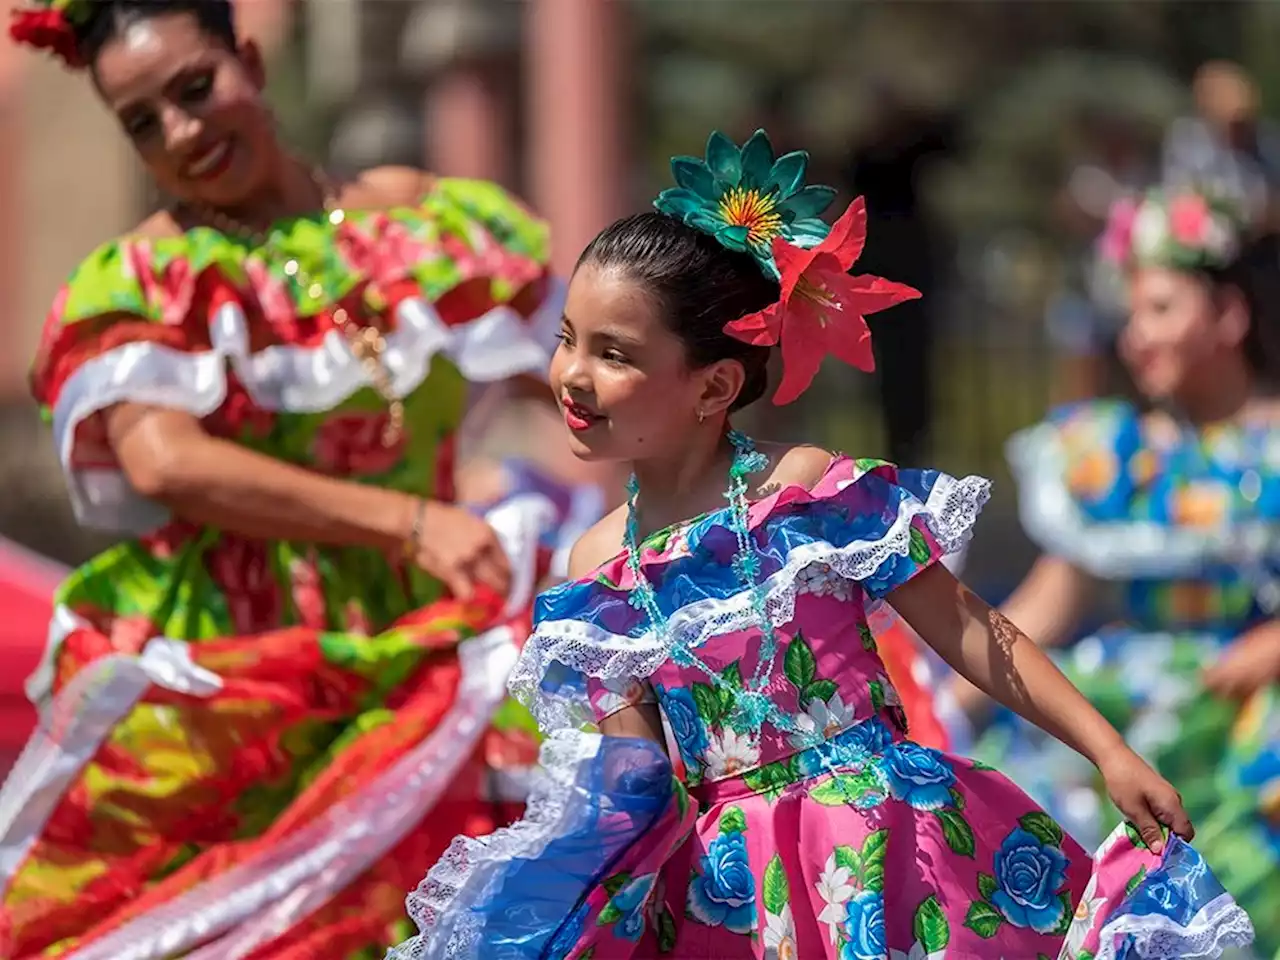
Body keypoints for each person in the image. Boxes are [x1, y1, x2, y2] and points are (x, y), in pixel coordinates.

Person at [388, 130, 1255, 960]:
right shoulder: (598, 569)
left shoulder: (806, 493)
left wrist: (1107, 751)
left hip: (887, 854)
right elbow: (634, 778)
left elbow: (967, 628)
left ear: (715, 385)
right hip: (728, 898)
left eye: (614, 353)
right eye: (567, 340)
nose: (573, 375)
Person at [0, 0, 595, 957]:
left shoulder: (411, 219)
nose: (183, 132)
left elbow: (578, 366)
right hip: (252, 666)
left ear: (247, 60)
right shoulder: (151, 277)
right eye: (143, 120)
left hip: (439, 627)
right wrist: (410, 519)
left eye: (197, 88)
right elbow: (165, 459)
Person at [954, 188, 1280, 957]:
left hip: (1250, 702)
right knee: (1031, 802)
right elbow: (1045, 605)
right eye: (1131, 316)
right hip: (1131, 695)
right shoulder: (1111, 457)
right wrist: (939, 704)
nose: (1136, 338)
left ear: (1229, 316)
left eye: (1160, 310)